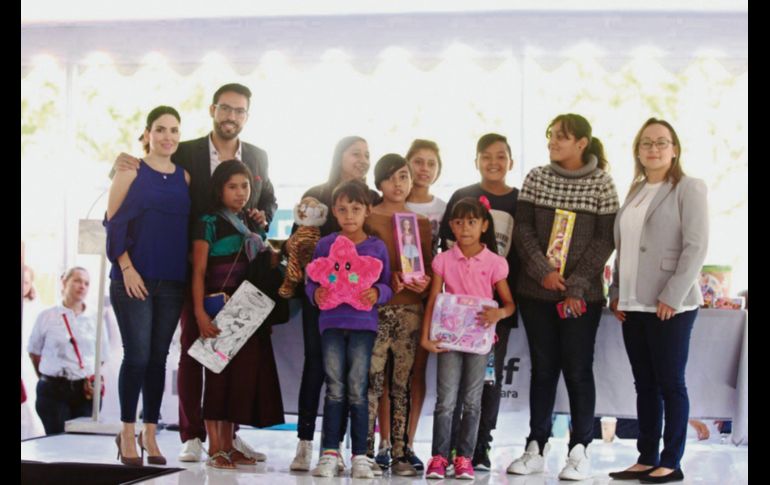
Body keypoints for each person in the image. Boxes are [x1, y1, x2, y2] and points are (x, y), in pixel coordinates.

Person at [114, 83, 275, 463]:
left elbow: (267, 199)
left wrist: (261, 214)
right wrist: (121, 163)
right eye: (225, 108)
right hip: (187, 263)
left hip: (241, 271)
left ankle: (229, 437)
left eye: (239, 111)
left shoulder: (258, 156)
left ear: (246, 116)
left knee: (229, 352)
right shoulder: (185, 150)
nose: (231, 116)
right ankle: (191, 434)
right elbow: (150, 168)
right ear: (212, 110)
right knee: (192, 349)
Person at [509, 113, 619, 480]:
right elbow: (522, 229)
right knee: (542, 369)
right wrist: (544, 272)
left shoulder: (602, 184)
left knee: (577, 369)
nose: (553, 142)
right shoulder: (537, 177)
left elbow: (605, 240)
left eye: (561, 137)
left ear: (582, 143)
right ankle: (536, 446)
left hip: (581, 298)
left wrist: (574, 286)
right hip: (535, 293)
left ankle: (580, 449)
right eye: (551, 136)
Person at [608, 118, 708, 484]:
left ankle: (671, 460)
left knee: (671, 383)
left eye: (661, 142)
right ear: (637, 150)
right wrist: (616, 291)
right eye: (646, 143)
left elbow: (695, 246)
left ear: (674, 149)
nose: (653, 148)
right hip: (633, 303)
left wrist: (672, 294)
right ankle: (646, 456)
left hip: (671, 304)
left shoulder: (688, 188)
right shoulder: (634, 190)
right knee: (644, 384)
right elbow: (625, 249)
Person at [289, 136, 381, 472]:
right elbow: (296, 246)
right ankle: (304, 444)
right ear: (339, 156)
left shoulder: (371, 199)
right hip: (321, 302)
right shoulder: (316, 195)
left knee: (351, 381)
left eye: (367, 155)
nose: (363, 159)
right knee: (316, 367)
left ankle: (340, 449)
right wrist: (314, 290)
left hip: (358, 309)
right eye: (355, 153)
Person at [105, 105, 190, 466]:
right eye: (160, 129)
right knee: (137, 356)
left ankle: (150, 432)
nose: (167, 136)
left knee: (158, 359)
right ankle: (126, 431)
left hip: (172, 281)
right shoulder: (130, 171)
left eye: (173, 130)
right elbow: (112, 223)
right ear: (148, 134)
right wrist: (126, 267)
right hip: (133, 279)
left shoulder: (185, 177)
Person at [191, 160, 284, 469]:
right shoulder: (209, 221)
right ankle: (215, 448)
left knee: (239, 381)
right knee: (218, 378)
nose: (240, 192)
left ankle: (229, 445)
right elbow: (199, 270)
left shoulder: (250, 220)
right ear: (219, 189)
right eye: (233, 186)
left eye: (245, 186)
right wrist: (200, 314)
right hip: (221, 306)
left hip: (247, 308)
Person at [438, 133, 520, 471]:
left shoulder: (520, 200)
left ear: (510, 162)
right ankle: (452, 449)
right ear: (476, 161)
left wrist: (504, 308)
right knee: (453, 386)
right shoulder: (463, 196)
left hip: (496, 309)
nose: (493, 162)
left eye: (501, 156)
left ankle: (480, 446)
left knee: (488, 380)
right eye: (486, 156)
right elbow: (444, 249)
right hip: (457, 315)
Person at [422, 197, 515, 480]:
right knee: (446, 400)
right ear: (451, 225)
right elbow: (434, 300)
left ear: (484, 225)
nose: (465, 228)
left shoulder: (495, 263)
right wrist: (427, 338)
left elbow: (509, 305)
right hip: (449, 339)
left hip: (478, 342)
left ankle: (464, 457)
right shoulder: (444, 260)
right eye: (459, 222)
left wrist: (497, 314)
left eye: (472, 222)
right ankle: (438, 457)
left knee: (473, 401)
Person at [306, 180, 393, 479]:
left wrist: (377, 294)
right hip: (330, 324)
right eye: (342, 209)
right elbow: (312, 278)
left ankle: (360, 454)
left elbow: (388, 285)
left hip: (363, 326)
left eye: (356, 209)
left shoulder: (376, 247)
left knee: (357, 390)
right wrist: (314, 294)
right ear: (334, 211)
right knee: (334, 389)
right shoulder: (325, 244)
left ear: (368, 210)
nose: (349, 215)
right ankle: (330, 452)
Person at [364, 154, 432, 477]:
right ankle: (366, 450)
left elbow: (429, 267)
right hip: (375, 309)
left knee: (401, 382)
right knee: (373, 381)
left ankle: (401, 451)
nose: (399, 183)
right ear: (379, 183)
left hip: (410, 309)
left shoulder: (419, 223)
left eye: (404, 176)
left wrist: (424, 283)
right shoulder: (367, 216)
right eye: (391, 177)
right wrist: (381, 281)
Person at [402, 139, 447, 470]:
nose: (424, 169)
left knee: (417, 372)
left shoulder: (445, 209)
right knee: (390, 372)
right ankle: (386, 442)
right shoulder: (392, 204)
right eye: (418, 161)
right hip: (394, 298)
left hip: (428, 299)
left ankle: (409, 440)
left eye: (431, 163)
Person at [27, 267, 109, 435]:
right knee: (57, 441)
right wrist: (49, 375)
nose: (82, 286)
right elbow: (34, 352)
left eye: (86, 283)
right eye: (77, 281)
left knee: (83, 442)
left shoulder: (95, 318)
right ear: (64, 282)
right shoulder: (47, 316)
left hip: (84, 391)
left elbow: (101, 356)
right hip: (54, 389)